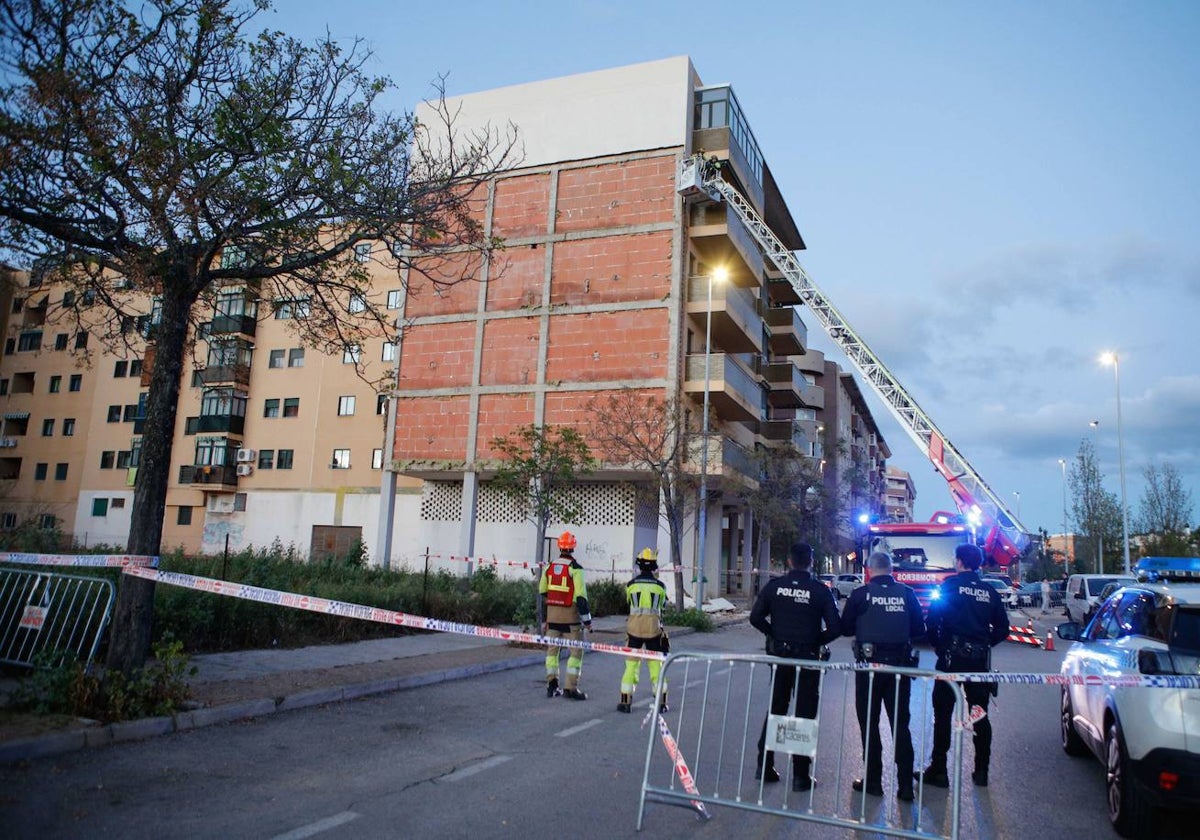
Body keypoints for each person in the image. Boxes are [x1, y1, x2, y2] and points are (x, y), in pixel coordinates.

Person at [915, 543, 1008, 788]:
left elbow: (932, 621)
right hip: (978, 663)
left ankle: (939, 770)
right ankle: (981, 771)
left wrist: (940, 646)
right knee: (979, 714)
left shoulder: (949, 587)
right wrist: (984, 643)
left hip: (950, 661)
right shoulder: (989, 591)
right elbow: (1003, 628)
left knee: (943, 715)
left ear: (958, 562)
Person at [749, 542, 840, 792]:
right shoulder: (820, 591)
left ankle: (764, 766)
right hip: (808, 659)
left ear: (789, 561)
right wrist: (814, 641)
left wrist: (775, 635)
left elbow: (755, 617)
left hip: (781, 657)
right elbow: (835, 628)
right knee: (803, 715)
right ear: (811, 561)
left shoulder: (775, 587)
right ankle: (800, 776)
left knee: (777, 708)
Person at [840, 551, 925, 802]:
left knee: (870, 724)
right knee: (900, 725)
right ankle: (905, 786)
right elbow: (920, 629)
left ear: (869, 570)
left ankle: (874, 782)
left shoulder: (860, 594)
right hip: (899, 668)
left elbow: (844, 628)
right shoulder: (907, 594)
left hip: (869, 669)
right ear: (891, 570)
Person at [538, 531, 592, 700]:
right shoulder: (576, 569)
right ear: (573, 547)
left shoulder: (549, 567)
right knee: (576, 653)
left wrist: (545, 618)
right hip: (570, 620)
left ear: (559, 546)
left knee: (552, 653)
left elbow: (542, 592)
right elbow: (581, 598)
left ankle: (552, 685)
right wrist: (588, 621)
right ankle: (570, 688)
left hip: (552, 618)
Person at [617, 548, 670, 714]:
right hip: (653, 631)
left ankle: (625, 701)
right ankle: (661, 702)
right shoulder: (661, 587)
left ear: (639, 565)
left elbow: (628, 603)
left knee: (631, 666)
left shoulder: (630, 585)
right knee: (656, 666)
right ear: (654, 566)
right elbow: (663, 605)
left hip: (634, 630)